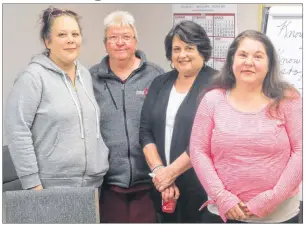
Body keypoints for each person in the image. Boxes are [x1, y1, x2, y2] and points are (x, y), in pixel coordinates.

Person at [190, 30, 302, 223]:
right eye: (242, 55)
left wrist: (271, 199)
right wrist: (223, 197)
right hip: (224, 212)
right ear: (232, 60)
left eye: (258, 56)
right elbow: (198, 151)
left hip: (278, 216)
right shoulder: (212, 100)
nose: (249, 62)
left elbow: (301, 151)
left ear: (269, 64)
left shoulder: (288, 99)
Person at [5, 7, 109, 190]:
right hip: (51, 187)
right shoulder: (32, 77)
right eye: (62, 34)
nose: (70, 40)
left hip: (93, 186)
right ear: (48, 41)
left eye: (75, 34)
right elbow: (17, 131)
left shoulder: (84, 75)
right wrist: (32, 184)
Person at [139, 20, 218, 223]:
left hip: (202, 190)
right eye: (176, 49)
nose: (182, 54)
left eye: (189, 48)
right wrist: (160, 175)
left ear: (202, 50)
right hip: (162, 189)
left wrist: (170, 174)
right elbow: (145, 131)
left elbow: (209, 139)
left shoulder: (217, 85)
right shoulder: (160, 83)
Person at [90, 11, 165, 223]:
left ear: (136, 41)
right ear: (105, 44)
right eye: (113, 38)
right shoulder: (91, 78)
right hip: (108, 185)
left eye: (126, 37)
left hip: (150, 181)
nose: (120, 43)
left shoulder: (155, 75)